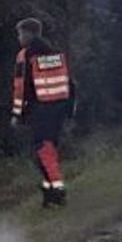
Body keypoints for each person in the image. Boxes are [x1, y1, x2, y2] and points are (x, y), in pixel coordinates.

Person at [11, 16, 75, 207]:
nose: (19, 38)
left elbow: (20, 88)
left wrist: (17, 114)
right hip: (58, 109)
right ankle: (49, 193)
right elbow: (69, 84)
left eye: (20, 34)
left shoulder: (26, 55)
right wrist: (69, 110)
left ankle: (57, 190)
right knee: (49, 149)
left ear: (29, 34)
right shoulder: (55, 54)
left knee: (43, 150)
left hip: (40, 110)